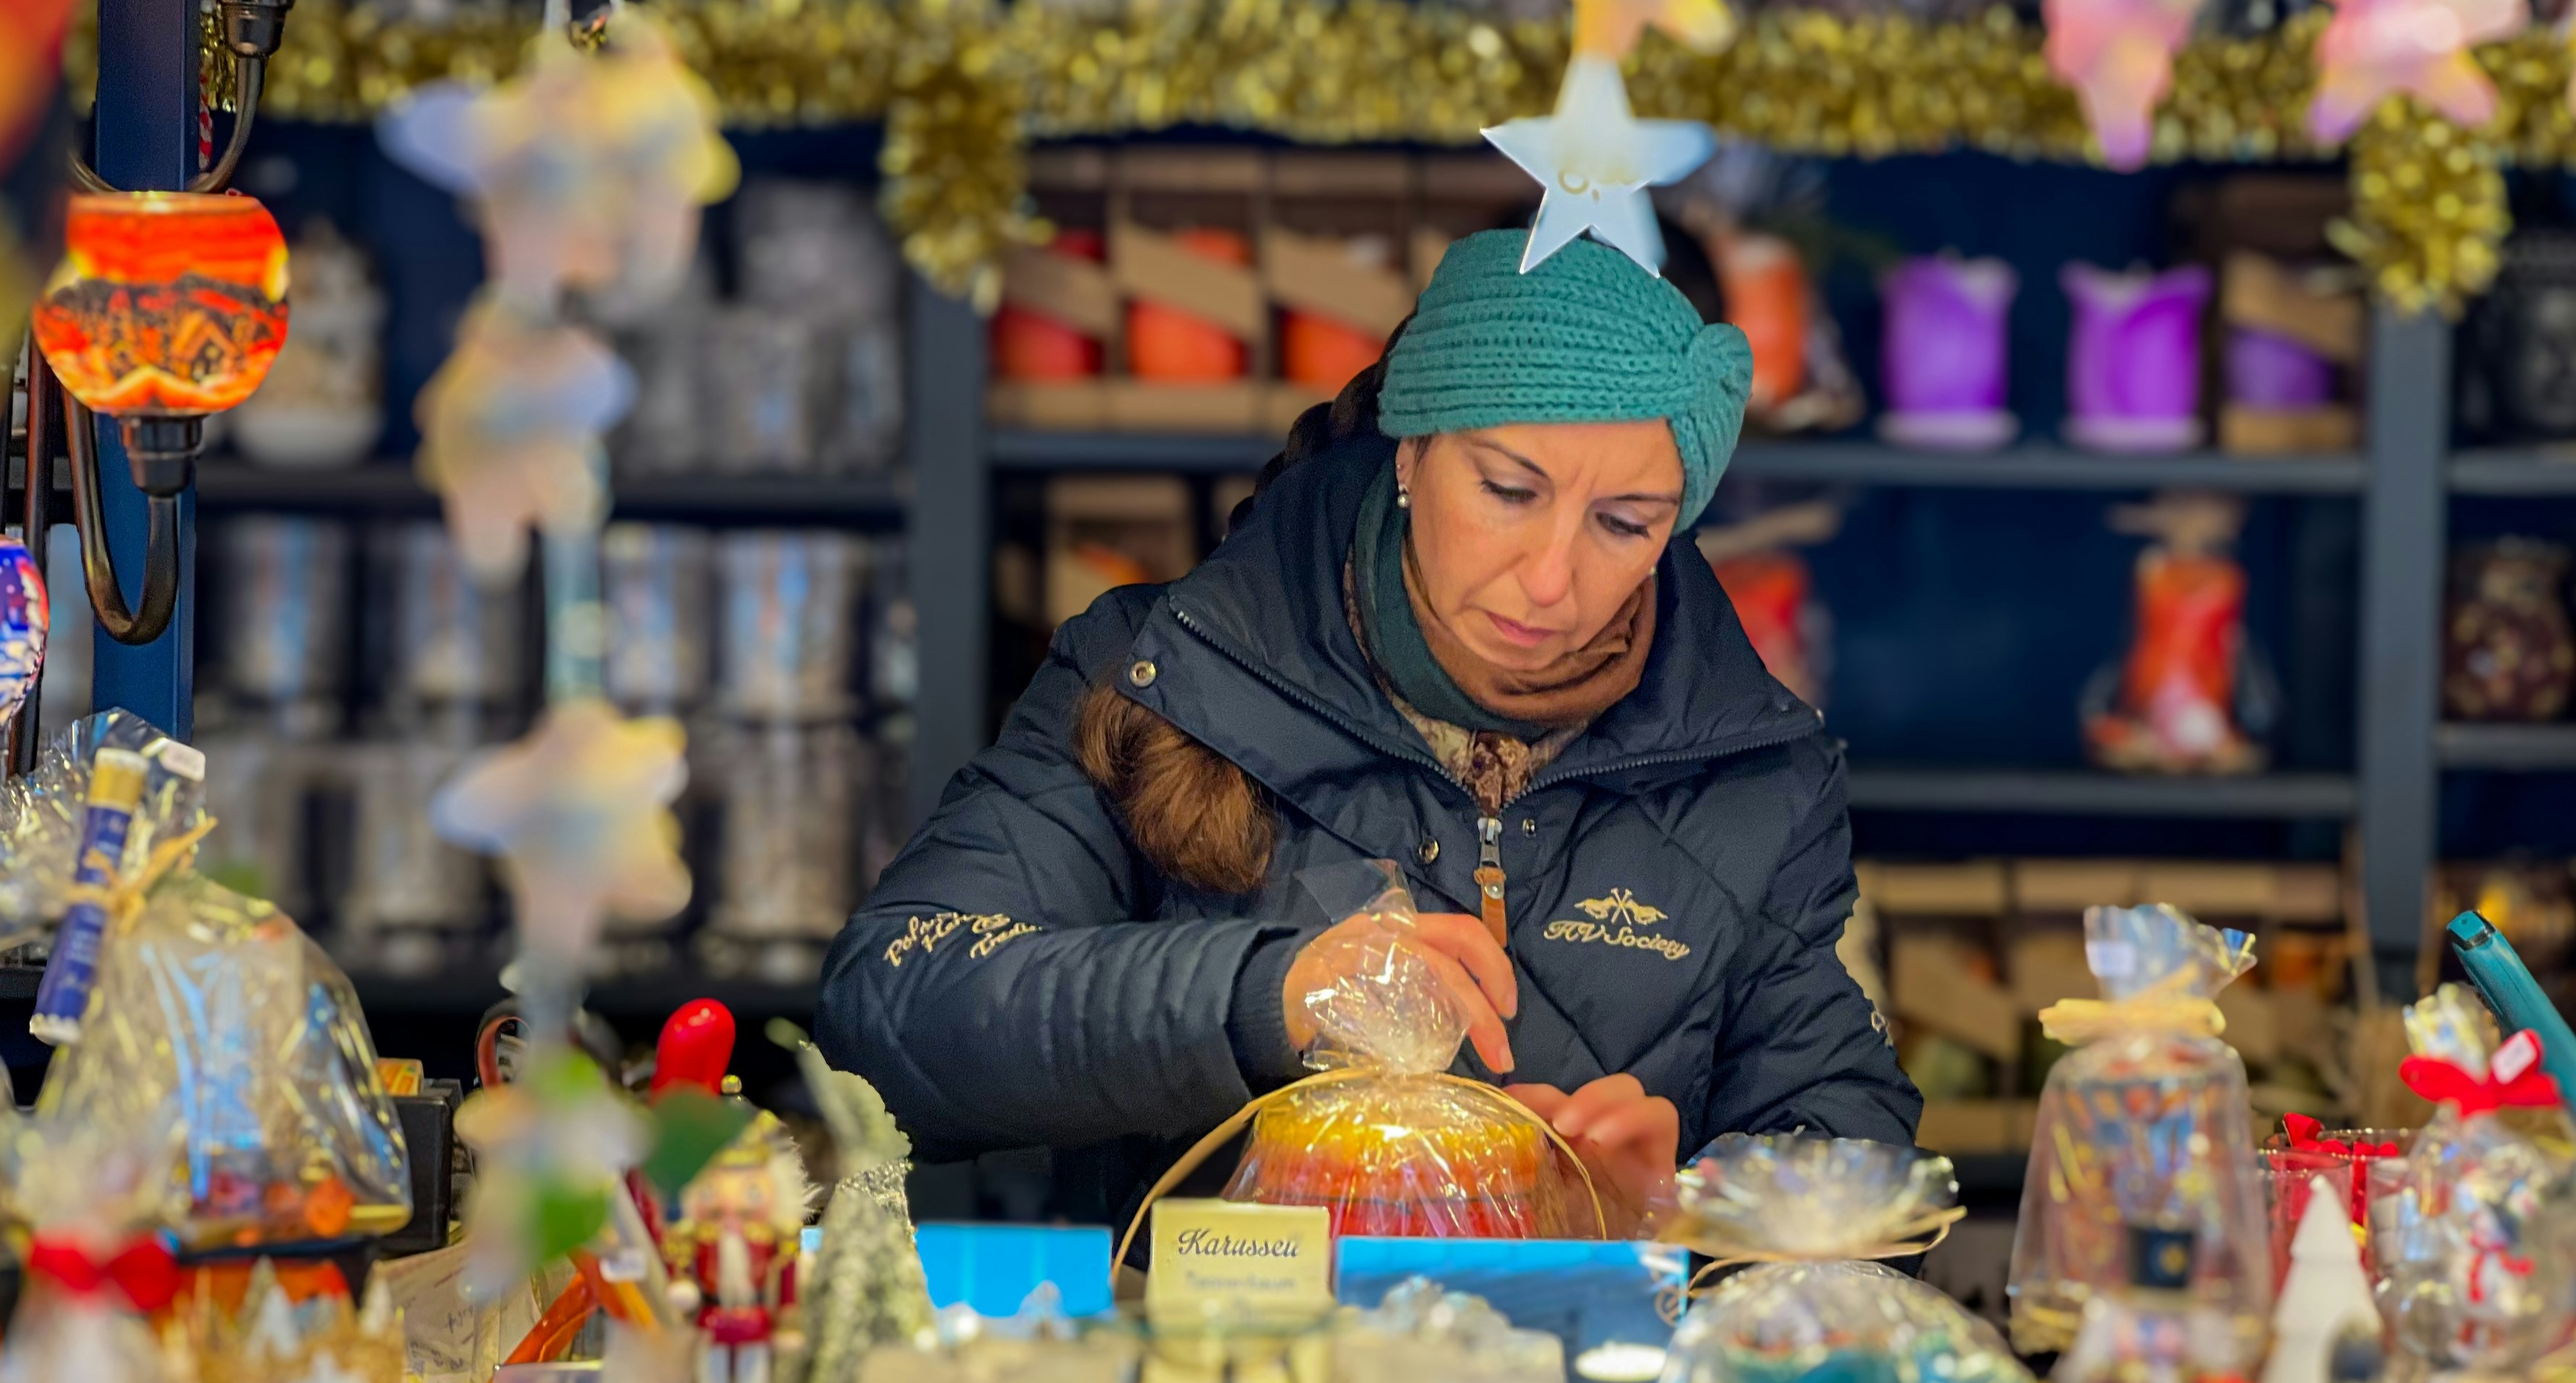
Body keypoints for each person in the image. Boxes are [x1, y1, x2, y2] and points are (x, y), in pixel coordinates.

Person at [815, 228, 1919, 1232]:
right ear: (1410, 451)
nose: (1550, 580)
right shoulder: (1159, 673)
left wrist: (1691, 1213)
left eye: (1624, 524)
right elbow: (894, 1012)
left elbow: (1856, 1149)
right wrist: (1269, 996)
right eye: (1506, 489)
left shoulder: (1754, 776)